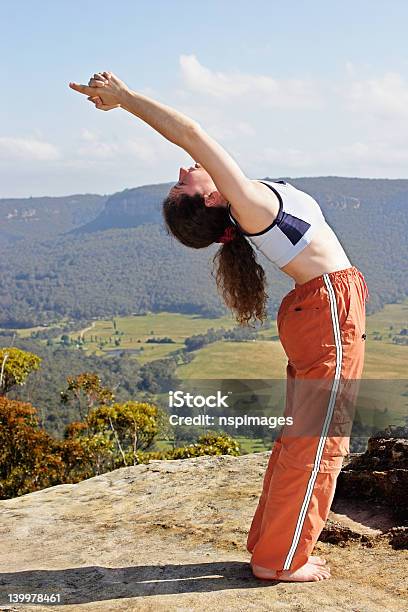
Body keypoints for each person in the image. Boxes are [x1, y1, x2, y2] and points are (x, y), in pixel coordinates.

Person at [69, 72, 369, 582]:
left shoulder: (246, 201)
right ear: (209, 199)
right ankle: (279, 559)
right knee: (319, 441)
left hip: (318, 310)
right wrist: (125, 99)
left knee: (304, 436)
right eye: (186, 180)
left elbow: (193, 143)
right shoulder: (247, 204)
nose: (187, 167)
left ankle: (272, 545)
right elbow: (190, 133)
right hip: (328, 312)